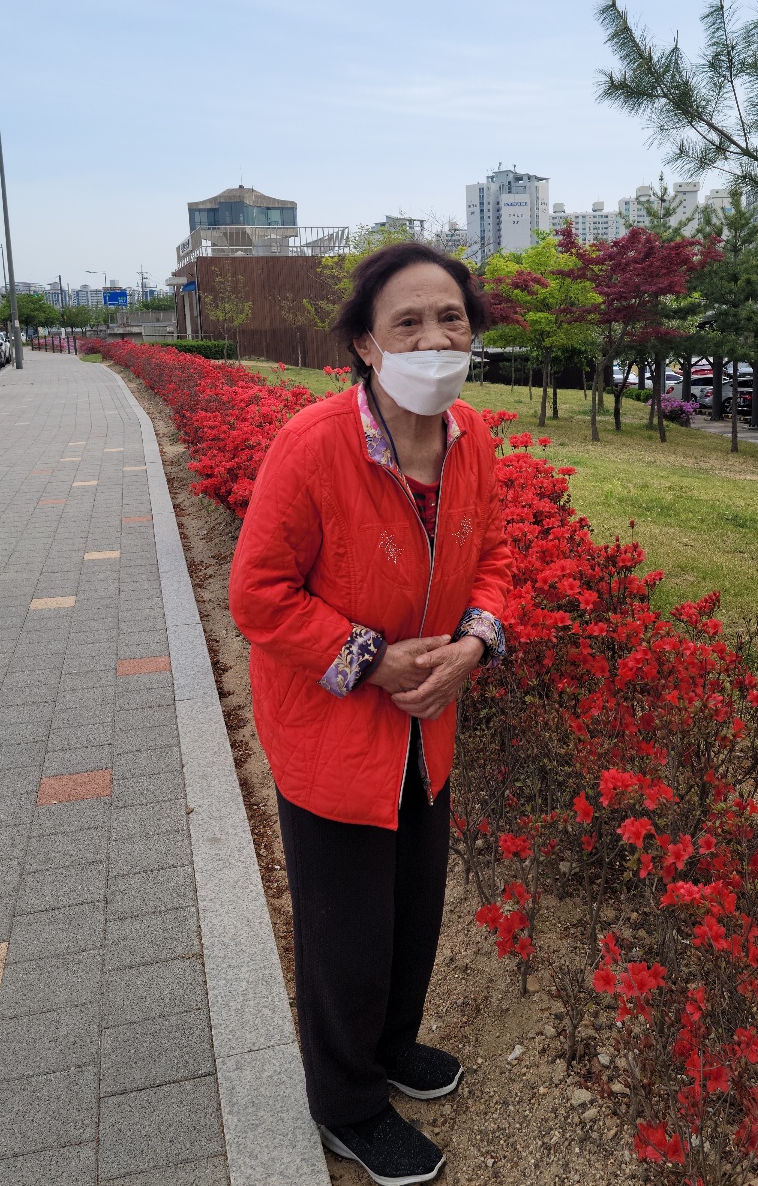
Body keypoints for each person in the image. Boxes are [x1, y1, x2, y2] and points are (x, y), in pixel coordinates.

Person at [229, 242, 512, 1186]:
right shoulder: (314, 446)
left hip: (428, 733)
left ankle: (390, 1048)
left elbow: (495, 559)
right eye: (408, 322)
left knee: (413, 914)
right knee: (345, 933)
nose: (435, 339)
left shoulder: (471, 438)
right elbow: (258, 594)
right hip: (333, 739)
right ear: (365, 343)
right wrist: (371, 659)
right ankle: (346, 1102)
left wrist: (472, 647)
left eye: (451, 318)